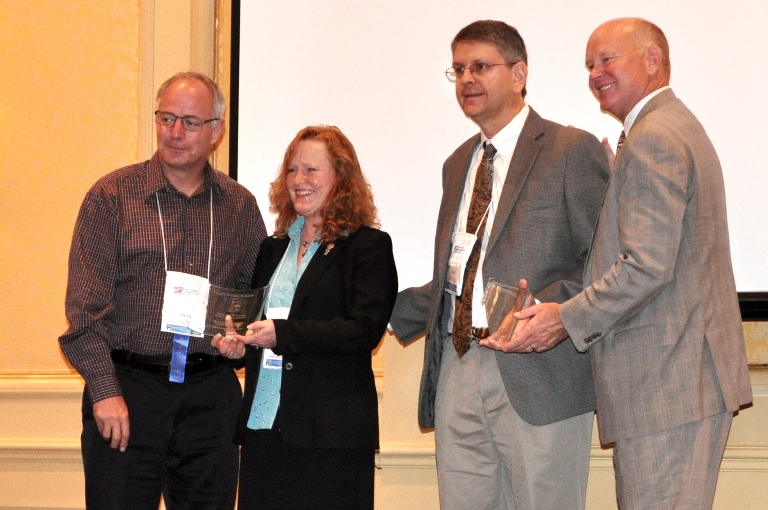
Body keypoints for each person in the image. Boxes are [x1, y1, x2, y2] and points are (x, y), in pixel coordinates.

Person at [495, 18, 753, 508]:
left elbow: (645, 267)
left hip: (667, 387)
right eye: (589, 65)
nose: (595, 74)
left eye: (607, 59)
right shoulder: (666, 128)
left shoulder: (653, 137)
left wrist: (564, 317)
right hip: (678, 383)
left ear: (653, 60)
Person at [389, 20, 610, 510]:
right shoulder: (457, 164)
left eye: (481, 67)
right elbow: (460, 272)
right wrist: (368, 304)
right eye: (459, 69)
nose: (467, 79)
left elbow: (603, 261)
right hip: (458, 364)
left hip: (539, 369)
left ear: (518, 74)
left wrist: (550, 311)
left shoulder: (569, 149)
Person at [59, 72, 267, 509]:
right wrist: (104, 390)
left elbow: (253, 302)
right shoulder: (112, 196)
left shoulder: (240, 206)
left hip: (210, 398)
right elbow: (84, 310)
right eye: (166, 118)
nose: (175, 132)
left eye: (190, 122)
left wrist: (240, 341)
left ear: (216, 130)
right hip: (129, 391)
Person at [211, 125, 398, 510]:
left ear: (341, 178)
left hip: (330, 433)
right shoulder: (272, 248)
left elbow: (363, 331)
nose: (298, 180)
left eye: (311, 170)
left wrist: (282, 334)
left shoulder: (367, 247)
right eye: (292, 170)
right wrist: (239, 347)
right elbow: (259, 325)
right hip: (265, 424)